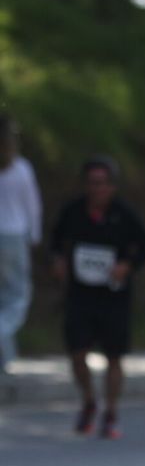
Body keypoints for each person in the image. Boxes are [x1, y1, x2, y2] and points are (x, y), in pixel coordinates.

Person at [51, 156, 145, 439]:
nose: (96, 189)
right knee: (76, 353)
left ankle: (110, 413)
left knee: (114, 356)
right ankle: (88, 400)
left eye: (101, 184)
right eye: (91, 183)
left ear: (112, 186)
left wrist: (127, 266)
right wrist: (59, 259)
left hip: (113, 295)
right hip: (80, 294)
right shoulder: (73, 211)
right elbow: (55, 240)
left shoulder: (124, 214)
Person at [0, 115, 42, 373]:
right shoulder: (21, 169)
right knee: (18, 296)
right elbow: (32, 207)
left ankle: (5, 358)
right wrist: (34, 236)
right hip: (13, 236)